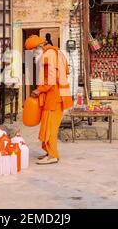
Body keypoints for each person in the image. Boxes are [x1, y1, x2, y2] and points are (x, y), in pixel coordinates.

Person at [26, 35, 73, 165]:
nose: (33, 54)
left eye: (33, 51)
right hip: (56, 95)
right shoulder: (55, 52)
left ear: (38, 47)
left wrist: (39, 90)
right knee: (48, 125)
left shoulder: (48, 55)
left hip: (55, 96)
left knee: (50, 128)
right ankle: (49, 152)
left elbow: (51, 79)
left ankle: (53, 155)